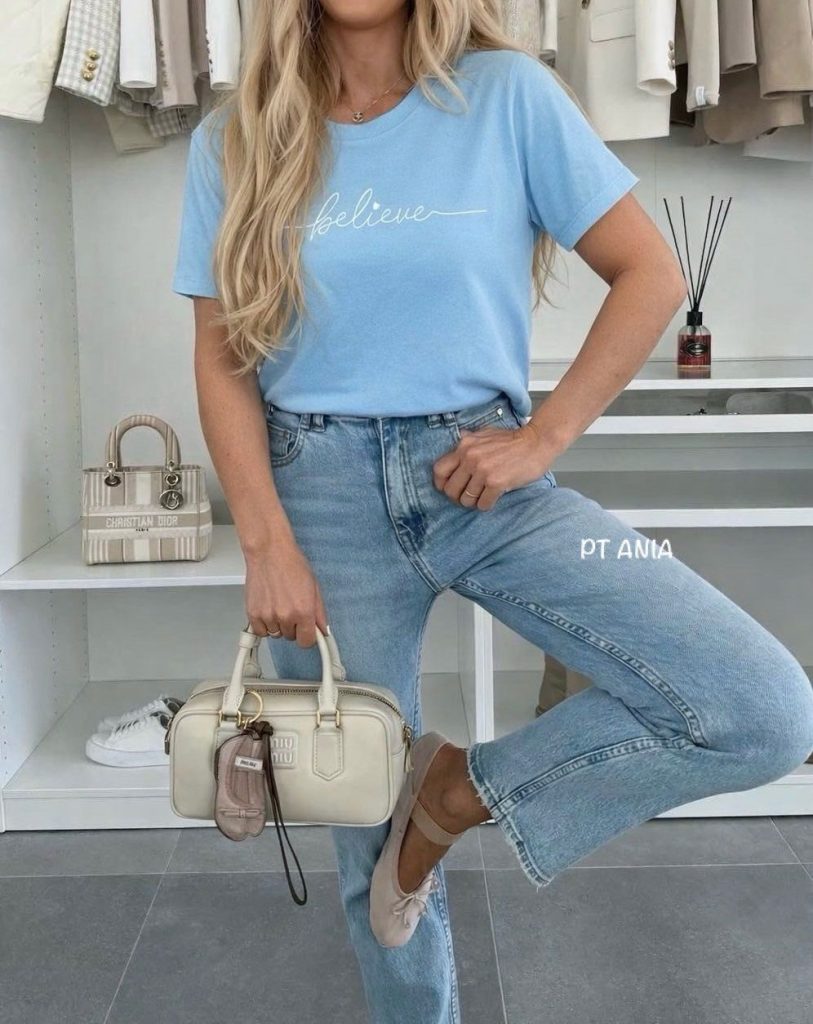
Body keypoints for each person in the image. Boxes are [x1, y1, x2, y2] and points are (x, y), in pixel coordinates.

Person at [171, 2, 813, 1021]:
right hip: (316, 493)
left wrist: (543, 438)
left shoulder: (508, 96)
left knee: (763, 709)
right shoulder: (236, 135)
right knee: (364, 834)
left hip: (483, 478)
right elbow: (221, 360)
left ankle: (453, 792)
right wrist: (265, 542)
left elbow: (650, 273)